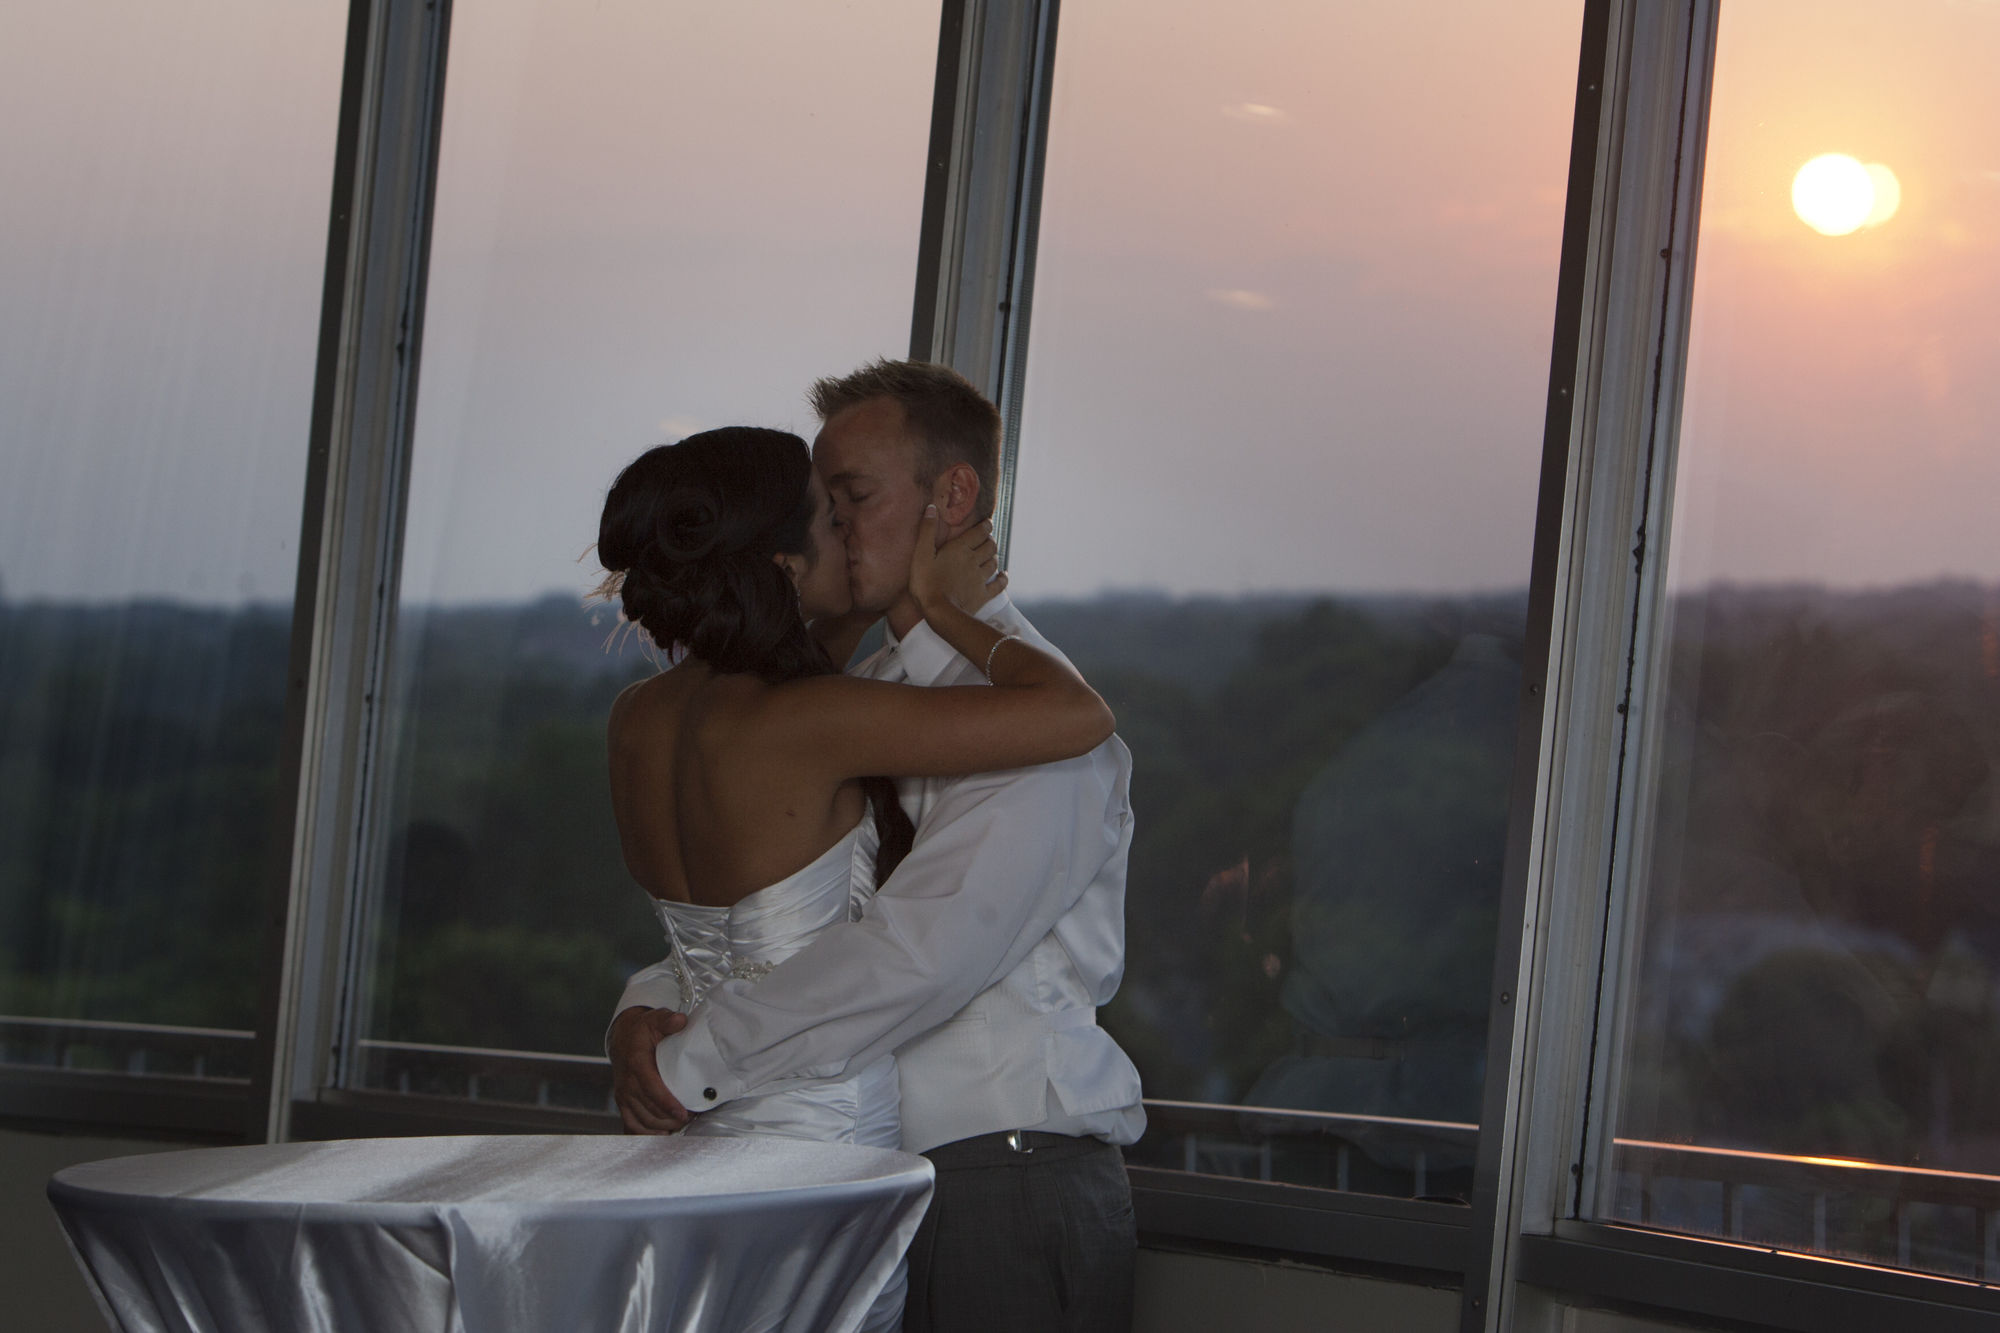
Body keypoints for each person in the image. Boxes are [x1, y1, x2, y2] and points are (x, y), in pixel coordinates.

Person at [609, 361, 1144, 1333]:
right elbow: (770, 919)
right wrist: (644, 1010)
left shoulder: (1030, 729)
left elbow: (915, 954)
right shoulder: (859, 696)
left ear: (953, 498)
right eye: (823, 505)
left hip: (996, 1173)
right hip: (864, 1162)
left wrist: (689, 1060)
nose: (833, 529)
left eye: (851, 497)